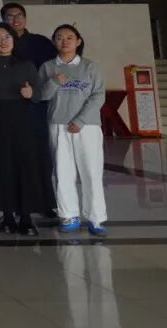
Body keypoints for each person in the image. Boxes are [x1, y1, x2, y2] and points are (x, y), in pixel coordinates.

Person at [0, 23, 43, 236]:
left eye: (7, 37)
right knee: (1, 168)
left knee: (24, 168)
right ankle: (7, 216)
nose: (3, 41)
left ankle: (26, 217)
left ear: (14, 40)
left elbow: (38, 94)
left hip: (22, 123)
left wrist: (31, 94)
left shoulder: (26, 65)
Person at [39, 25, 107, 236]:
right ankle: (68, 215)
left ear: (78, 41)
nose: (65, 41)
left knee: (91, 172)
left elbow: (98, 96)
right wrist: (53, 82)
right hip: (58, 125)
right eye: (59, 37)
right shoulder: (48, 67)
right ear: (54, 41)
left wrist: (80, 120)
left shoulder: (90, 67)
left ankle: (96, 218)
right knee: (62, 172)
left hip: (87, 127)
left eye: (70, 37)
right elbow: (41, 96)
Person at [1, 2, 57, 217]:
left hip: (36, 106)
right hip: (9, 108)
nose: (15, 20)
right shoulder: (0, 42)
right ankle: (15, 203)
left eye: (19, 15)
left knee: (41, 155)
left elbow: (56, 64)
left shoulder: (40, 43)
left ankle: (45, 202)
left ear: (25, 18)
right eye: (10, 16)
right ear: (3, 20)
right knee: (13, 156)